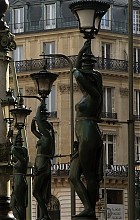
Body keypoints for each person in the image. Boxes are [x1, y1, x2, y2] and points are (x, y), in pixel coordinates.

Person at [69, 39, 103, 218]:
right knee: (73, 176)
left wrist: (80, 57)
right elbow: (78, 74)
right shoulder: (85, 96)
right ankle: (88, 207)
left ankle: (89, 210)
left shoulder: (95, 95)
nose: (80, 86)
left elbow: (78, 75)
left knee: (90, 176)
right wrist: (81, 52)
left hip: (90, 134)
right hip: (83, 137)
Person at [31, 100, 55, 220]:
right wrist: (33, 121)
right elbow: (33, 130)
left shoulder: (47, 136)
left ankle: (45, 215)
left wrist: (38, 111)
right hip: (43, 165)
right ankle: (44, 215)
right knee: (41, 192)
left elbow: (39, 124)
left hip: (42, 165)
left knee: (36, 192)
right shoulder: (44, 137)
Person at [10, 133, 29, 220]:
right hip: (17, 181)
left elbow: (13, 151)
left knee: (20, 204)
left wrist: (14, 148)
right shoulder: (18, 161)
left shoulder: (22, 160)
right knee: (12, 204)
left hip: (19, 180)